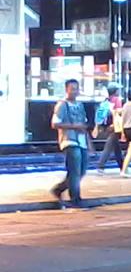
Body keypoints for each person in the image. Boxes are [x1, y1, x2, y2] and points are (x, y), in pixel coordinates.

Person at [50, 79, 92, 209]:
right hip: (69, 140)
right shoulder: (62, 105)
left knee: (82, 170)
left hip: (82, 141)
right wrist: (73, 126)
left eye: (76, 88)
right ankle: (75, 198)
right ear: (66, 89)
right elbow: (55, 123)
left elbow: (84, 125)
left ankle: (58, 189)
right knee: (75, 171)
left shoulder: (80, 105)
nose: (75, 91)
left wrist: (89, 143)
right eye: (72, 88)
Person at [95, 83, 123, 174]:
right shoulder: (117, 100)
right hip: (114, 126)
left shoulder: (106, 100)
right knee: (109, 147)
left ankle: (122, 166)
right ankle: (100, 166)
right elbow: (117, 113)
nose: (119, 91)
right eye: (118, 89)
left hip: (107, 126)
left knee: (116, 147)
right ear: (115, 91)